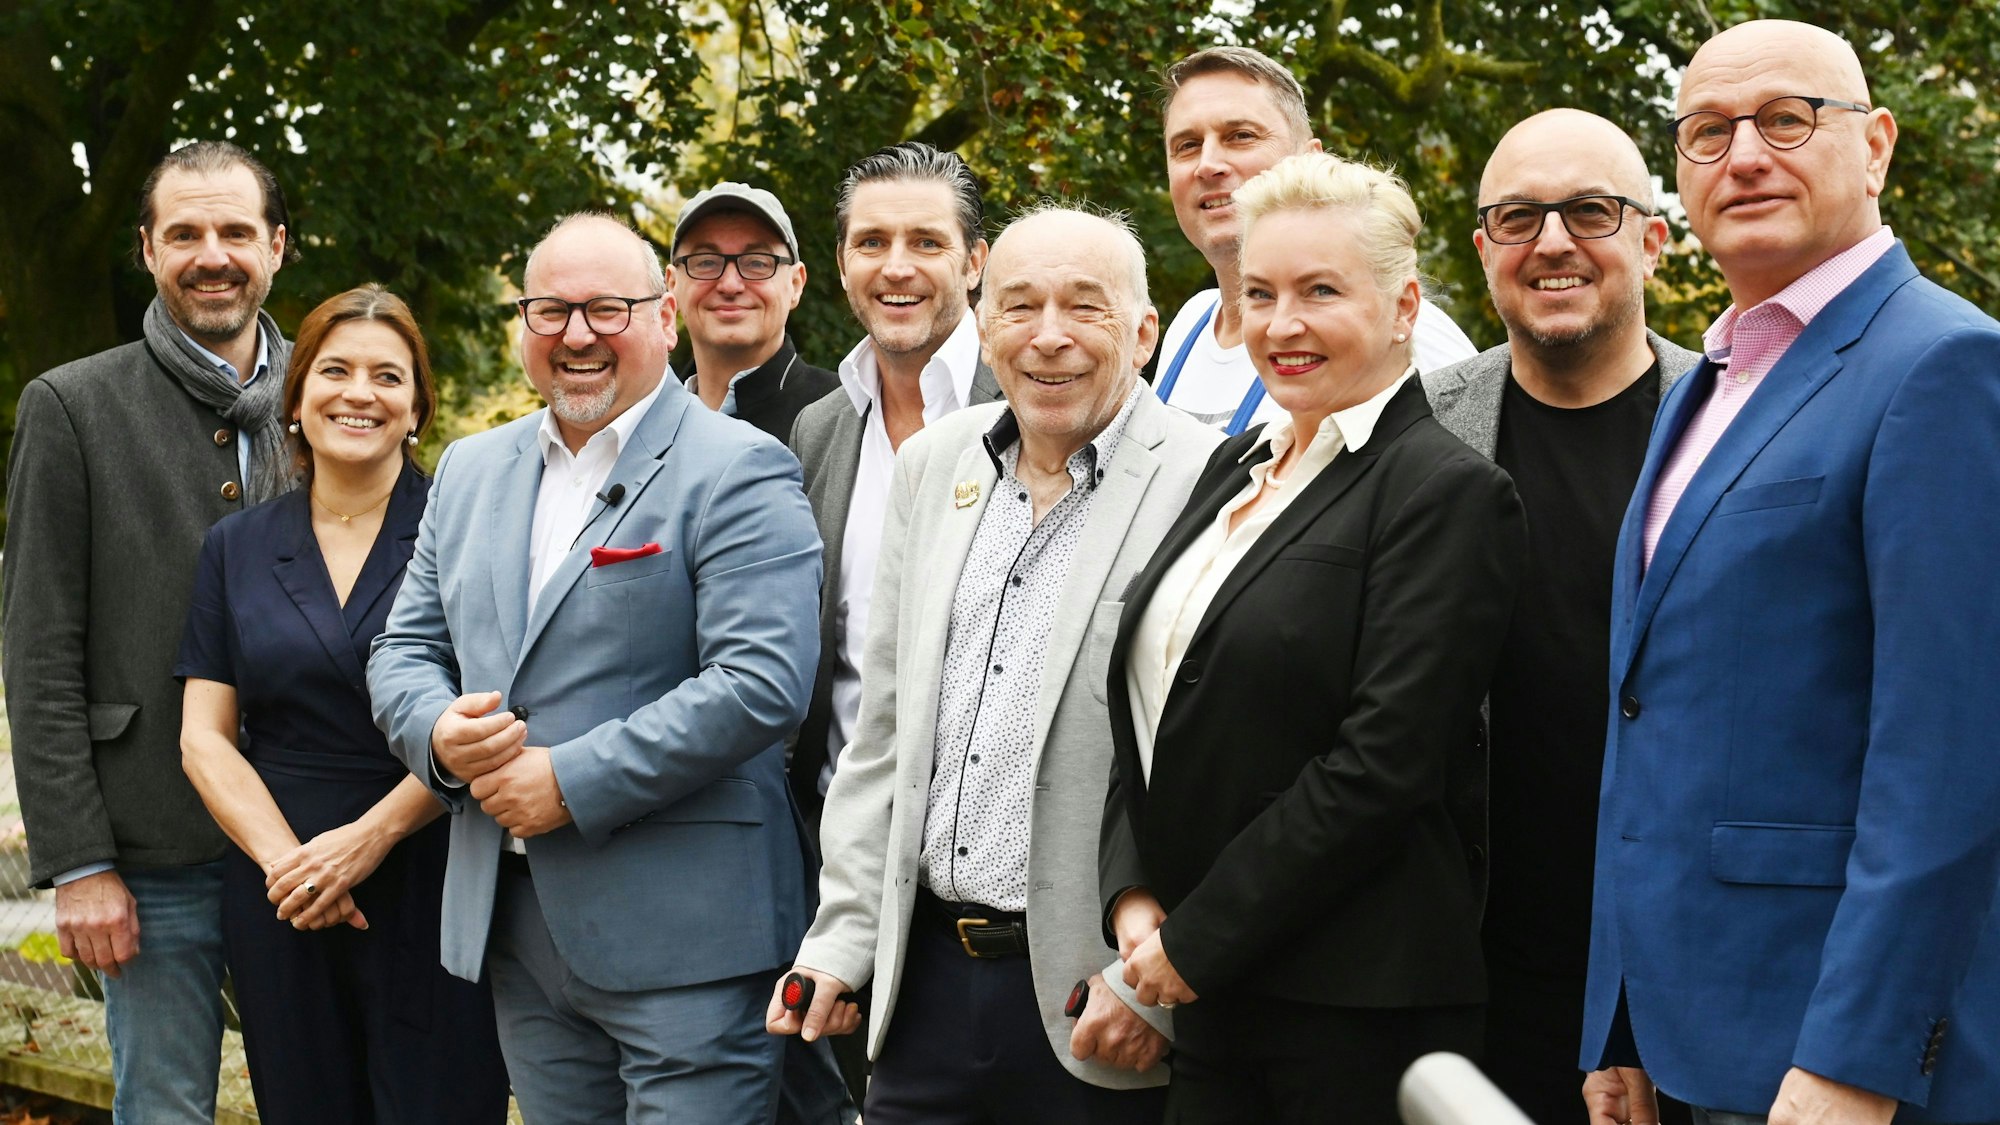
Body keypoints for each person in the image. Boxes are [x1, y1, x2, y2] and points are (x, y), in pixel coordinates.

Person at [1580, 20, 2000, 1125]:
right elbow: (1650, 720)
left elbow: (1951, 759)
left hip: (1832, 1059)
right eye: (1708, 132)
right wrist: (1617, 1021)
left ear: (1875, 146)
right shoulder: (1704, 384)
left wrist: (1858, 1058)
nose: (1745, 157)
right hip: (1689, 1037)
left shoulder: (1943, 364)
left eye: (1785, 120)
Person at [769, 205, 1221, 1123]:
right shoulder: (934, 466)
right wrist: (842, 940)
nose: (1048, 336)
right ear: (983, 326)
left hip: (1099, 1002)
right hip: (924, 990)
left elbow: (1222, 768)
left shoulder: (1213, 482)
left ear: (1144, 332)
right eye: (1018, 306)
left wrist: (1156, 983)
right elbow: (884, 735)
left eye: (1084, 306)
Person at [367, 212, 822, 1123]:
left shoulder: (741, 467)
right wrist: (439, 733)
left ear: (664, 316)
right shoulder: (470, 469)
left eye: (607, 309)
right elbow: (404, 647)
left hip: (689, 939)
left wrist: (570, 781)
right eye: (551, 310)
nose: (577, 335)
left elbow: (761, 682)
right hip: (518, 930)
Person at [1105, 152, 1527, 1122]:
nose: (1280, 323)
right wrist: (1130, 891)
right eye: (1258, 293)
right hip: (1211, 990)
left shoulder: (1447, 491)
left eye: (1319, 291)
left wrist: (1194, 938)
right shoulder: (1232, 469)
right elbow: (1156, 699)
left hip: (1353, 1010)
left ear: (1403, 306)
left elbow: (1383, 762)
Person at [2, 139, 299, 1123]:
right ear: (147, 249)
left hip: (313, 832)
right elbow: (39, 651)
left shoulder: (335, 395)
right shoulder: (71, 406)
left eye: (235, 232)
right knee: (165, 1107)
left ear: (276, 247)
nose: (212, 255)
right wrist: (79, 861)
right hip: (150, 844)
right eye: (185, 234)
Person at [1420, 109, 1698, 1124]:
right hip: (1466, 976)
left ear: (1651, 240)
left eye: (1588, 211)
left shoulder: (1739, 416)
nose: (1551, 242)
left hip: (1678, 984)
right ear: (1481, 246)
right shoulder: (1414, 424)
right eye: (1517, 216)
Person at [176, 285, 509, 1123]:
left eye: (387, 376)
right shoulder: (235, 546)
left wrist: (366, 841)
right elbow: (204, 738)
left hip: (434, 868)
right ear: (295, 399)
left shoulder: (472, 535)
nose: (359, 392)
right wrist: (293, 866)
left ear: (417, 409)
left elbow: (495, 720)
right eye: (334, 370)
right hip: (281, 888)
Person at [788, 141, 1001, 833]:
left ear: (975, 262)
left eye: (927, 242)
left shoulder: (1031, 404)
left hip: (984, 847)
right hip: (834, 834)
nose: (896, 266)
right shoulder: (818, 431)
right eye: (872, 242)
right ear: (843, 262)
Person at [1154, 46, 1478, 434]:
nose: (1208, 164)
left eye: (1240, 136)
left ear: (1310, 159)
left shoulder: (1399, 328)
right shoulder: (1191, 323)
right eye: (1187, 145)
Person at [671, 181, 840, 439]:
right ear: (672, 285)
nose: (730, 285)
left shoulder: (847, 418)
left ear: (796, 284)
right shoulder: (641, 423)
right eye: (705, 262)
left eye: (757, 263)